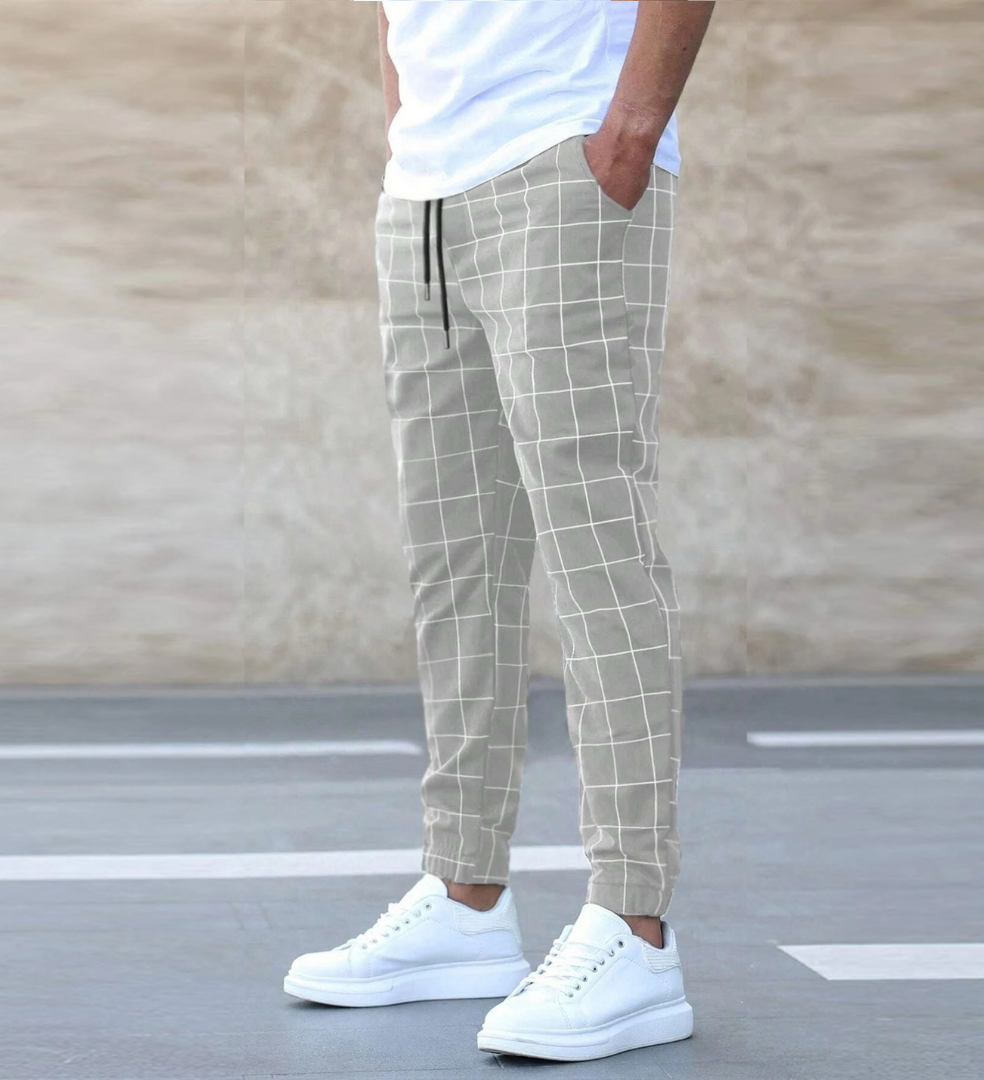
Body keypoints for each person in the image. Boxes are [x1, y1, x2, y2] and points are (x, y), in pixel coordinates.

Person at [285, 0, 716, 1062]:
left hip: (563, 162)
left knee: (596, 548)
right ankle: (465, 896)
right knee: (456, 561)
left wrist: (629, 135)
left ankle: (635, 925)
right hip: (423, 196)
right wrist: (411, 141)